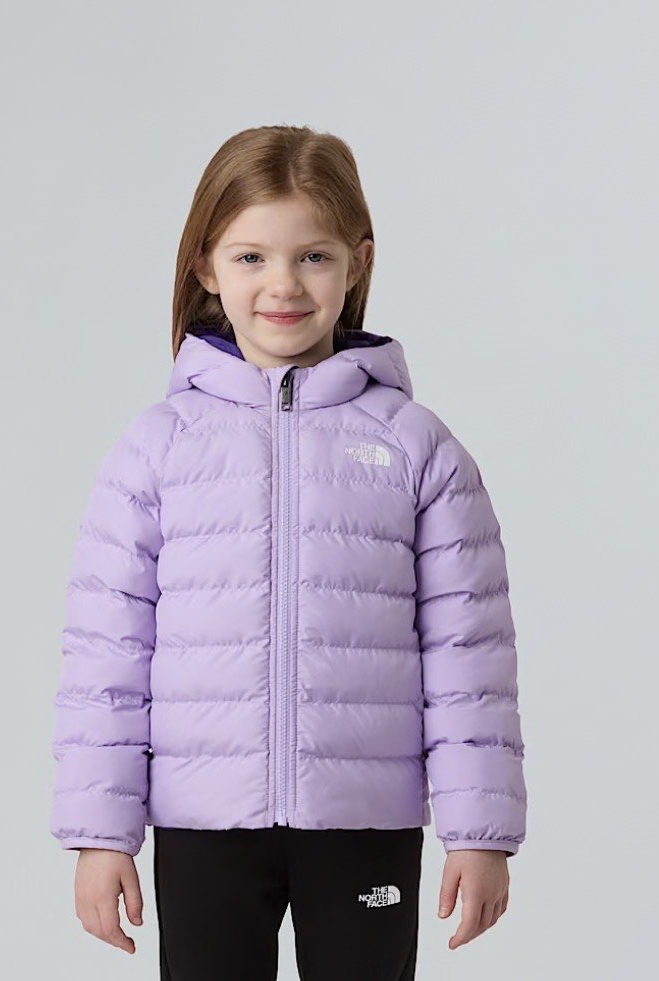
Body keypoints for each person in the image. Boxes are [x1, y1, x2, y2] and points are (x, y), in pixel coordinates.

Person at [49, 124, 527, 980]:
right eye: (250, 257)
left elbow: (470, 656)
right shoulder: (156, 449)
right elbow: (106, 655)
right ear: (206, 267)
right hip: (203, 823)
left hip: (364, 822)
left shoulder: (418, 448)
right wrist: (99, 834)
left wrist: (479, 832)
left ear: (357, 263)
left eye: (313, 256)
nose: (283, 284)